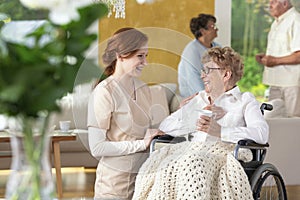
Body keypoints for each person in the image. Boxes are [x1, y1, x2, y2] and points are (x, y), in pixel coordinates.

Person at [133, 46, 269, 199]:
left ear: (226, 74)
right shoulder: (199, 99)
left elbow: (261, 134)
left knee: (193, 162)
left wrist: (220, 131)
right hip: (191, 150)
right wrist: (188, 115)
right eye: (203, 71)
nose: (203, 76)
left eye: (208, 70)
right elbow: (166, 126)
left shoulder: (244, 100)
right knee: (164, 163)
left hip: (224, 155)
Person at [87, 28, 164, 200]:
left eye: (146, 56)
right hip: (114, 188)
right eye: (140, 56)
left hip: (144, 184)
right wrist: (141, 144)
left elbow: (147, 132)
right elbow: (97, 147)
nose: (145, 62)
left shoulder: (143, 89)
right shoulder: (104, 92)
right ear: (121, 56)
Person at [256, 0, 300, 117]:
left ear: (285, 3)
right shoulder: (276, 23)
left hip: (291, 84)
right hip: (275, 82)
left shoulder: (296, 20)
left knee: (293, 122)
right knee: (272, 119)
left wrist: (274, 61)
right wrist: (267, 58)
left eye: (273, 2)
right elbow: (283, 52)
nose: (269, 5)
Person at [178, 13, 221, 98]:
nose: (217, 29)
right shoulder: (191, 51)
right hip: (195, 97)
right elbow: (193, 80)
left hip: (214, 95)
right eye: (213, 27)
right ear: (202, 31)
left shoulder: (217, 47)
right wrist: (207, 98)